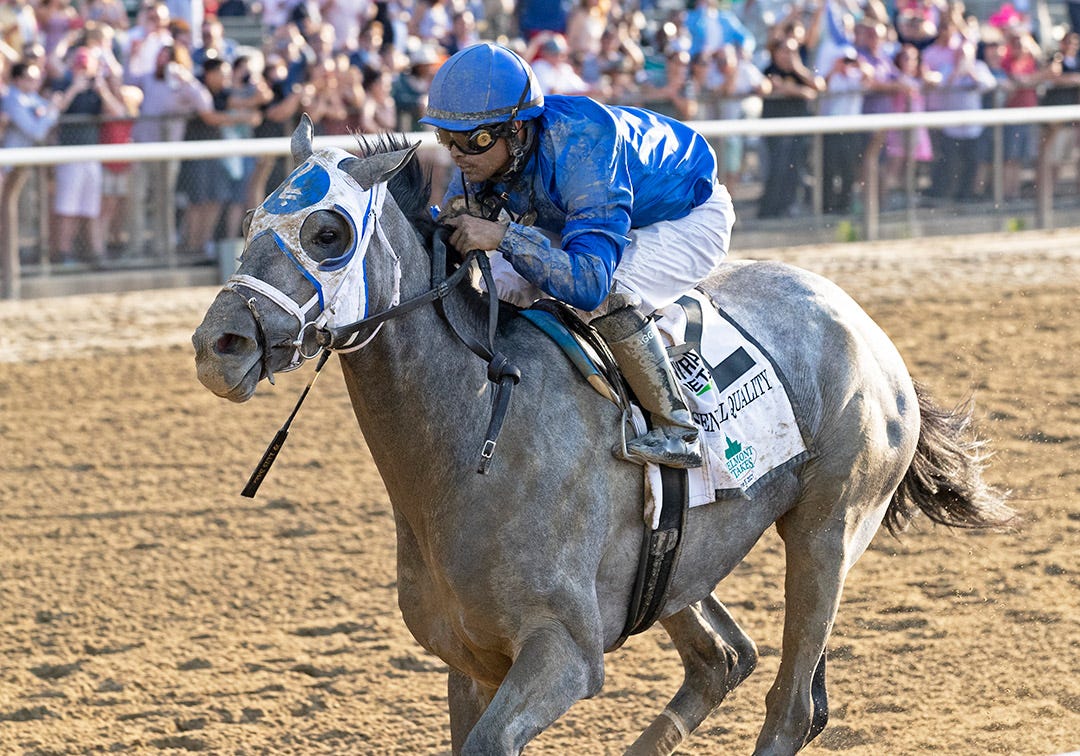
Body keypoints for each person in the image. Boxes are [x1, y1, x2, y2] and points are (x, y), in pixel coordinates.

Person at [421, 43, 735, 469]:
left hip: (686, 217)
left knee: (612, 294)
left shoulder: (584, 148)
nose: (457, 154)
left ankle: (677, 426)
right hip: (589, 213)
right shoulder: (485, 156)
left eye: (471, 140)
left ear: (516, 130)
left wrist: (505, 236)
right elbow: (457, 227)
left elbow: (590, 284)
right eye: (445, 138)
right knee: (504, 281)